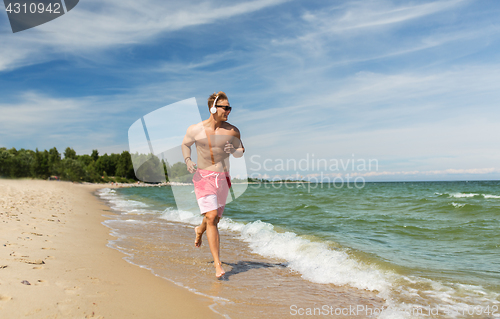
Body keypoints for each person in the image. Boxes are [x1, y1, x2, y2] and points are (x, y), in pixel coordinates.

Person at [181, 91, 244, 278]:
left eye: (229, 108)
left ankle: (200, 229)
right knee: (211, 215)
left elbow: (241, 150)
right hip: (204, 177)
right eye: (226, 108)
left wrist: (234, 149)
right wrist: (187, 160)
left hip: (223, 178)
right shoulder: (196, 130)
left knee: (214, 219)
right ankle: (218, 264)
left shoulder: (232, 131)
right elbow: (185, 144)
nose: (229, 111)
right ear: (213, 108)